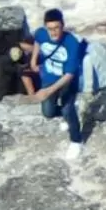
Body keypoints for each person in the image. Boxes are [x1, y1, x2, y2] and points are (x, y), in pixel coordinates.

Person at [29, 9, 84, 145]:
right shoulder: (41, 33)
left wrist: (47, 91)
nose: (53, 32)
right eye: (50, 29)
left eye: (57, 28)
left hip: (67, 81)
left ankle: (76, 141)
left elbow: (69, 74)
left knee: (67, 108)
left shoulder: (71, 43)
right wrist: (33, 60)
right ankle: (68, 114)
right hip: (48, 78)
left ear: (63, 26)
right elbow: (37, 41)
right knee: (48, 112)